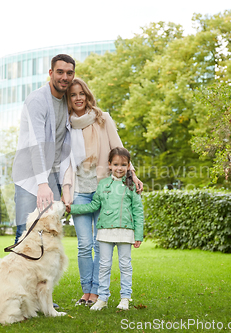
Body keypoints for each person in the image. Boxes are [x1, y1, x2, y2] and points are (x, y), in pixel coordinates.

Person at [65, 78, 143, 306]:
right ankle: (86, 291)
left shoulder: (103, 118)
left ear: (88, 96)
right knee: (84, 245)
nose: (78, 98)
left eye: (81, 93)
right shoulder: (67, 125)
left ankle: (98, 292)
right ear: (68, 100)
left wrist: (133, 174)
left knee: (101, 243)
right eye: (73, 95)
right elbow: (65, 161)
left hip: (103, 190)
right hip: (79, 189)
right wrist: (66, 190)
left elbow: (119, 148)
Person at [66, 147, 144, 311]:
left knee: (125, 265)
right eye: (116, 164)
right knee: (104, 266)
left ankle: (125, 298)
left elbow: (138, 211)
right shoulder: (102, 185)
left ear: (129, 166)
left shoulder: (131, 186)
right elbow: (94, 206)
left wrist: (138, 235)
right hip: (105, 232)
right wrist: (72, 209)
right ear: (109, 165)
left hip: (125, 232)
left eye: (123, 164)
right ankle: (102, 297)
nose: (119, 168)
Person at [12, 54, 75, 244]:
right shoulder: (37, 100)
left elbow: (66, 146)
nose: (64, 77)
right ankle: (17, 273)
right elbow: (37, 144)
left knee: (49, 232)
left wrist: (66, 186)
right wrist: (42, 184)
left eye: (69, 73)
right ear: (51, 73)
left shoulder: (67, 101)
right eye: (60, 72)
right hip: (29, 176)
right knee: (26, 230)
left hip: (53, 175)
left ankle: (41, 274)